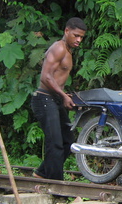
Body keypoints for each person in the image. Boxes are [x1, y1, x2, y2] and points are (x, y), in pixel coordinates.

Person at [31, 17, 87, 180]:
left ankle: (42, 173)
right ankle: (56, 184)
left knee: (68, 142)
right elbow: (46, 77)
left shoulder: (68, 51)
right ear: (66, 31)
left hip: (55, 99)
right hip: (44, 99)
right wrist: (63, 95)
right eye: (76, 35)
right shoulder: (59, 48)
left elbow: (56, 78)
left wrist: (63, 95)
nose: (78, 40)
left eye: (81, 37)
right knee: (55, 142)